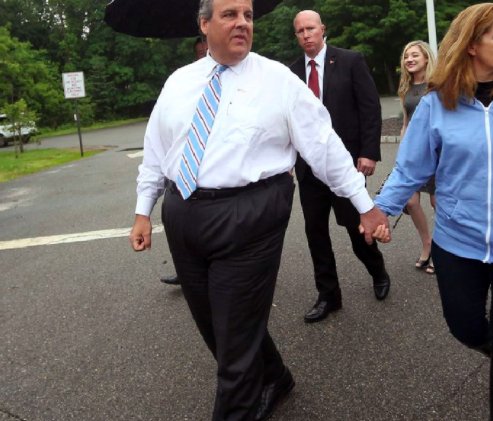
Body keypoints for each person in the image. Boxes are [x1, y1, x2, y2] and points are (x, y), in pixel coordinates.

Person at [128, 0, 388, 419]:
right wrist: (144, 210)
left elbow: (324, 146)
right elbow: (157, 149)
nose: (242, 23)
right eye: (230, 15)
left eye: (247, 15)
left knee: (234, 351)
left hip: (250, 214)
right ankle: (276, 376)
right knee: (217, 327)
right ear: (204, 24)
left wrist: (364, 205)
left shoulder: (278, 80)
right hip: (183, 214)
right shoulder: (179, 81)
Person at [372, 3, 493, 420]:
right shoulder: (436, 104)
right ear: (471, 44)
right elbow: (410, 169)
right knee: (464, 327)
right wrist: (380, 209)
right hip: (458, 243)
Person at [289, 10, 391, 324]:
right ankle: (329, 296)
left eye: (310, 28)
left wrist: (369, 152)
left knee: (356, 227)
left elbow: (370, 107)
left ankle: (377, 271)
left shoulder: (349, 61)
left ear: (323, 29)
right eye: (300, 31)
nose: (306, 35)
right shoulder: (291, 73)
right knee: (315, 233)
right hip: (309, 170)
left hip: (346, 164)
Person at [159, 35, 212, 287]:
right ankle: (186, 269)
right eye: (200, 52)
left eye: (206, 50)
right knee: (183, 225)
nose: (203, 55)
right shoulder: (184, 82)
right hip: (186, 170)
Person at [397, 40, 437, 275]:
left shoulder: (437, 85)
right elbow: (406, 123)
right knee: (411, 202)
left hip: (436, 154)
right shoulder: (406, 88)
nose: (409, 59)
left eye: (414, 55)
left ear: (426, 58)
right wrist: (402, 155)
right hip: (413, 155)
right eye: (406, 56)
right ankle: (427, 244)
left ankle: (442, 252)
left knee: (437, 203)